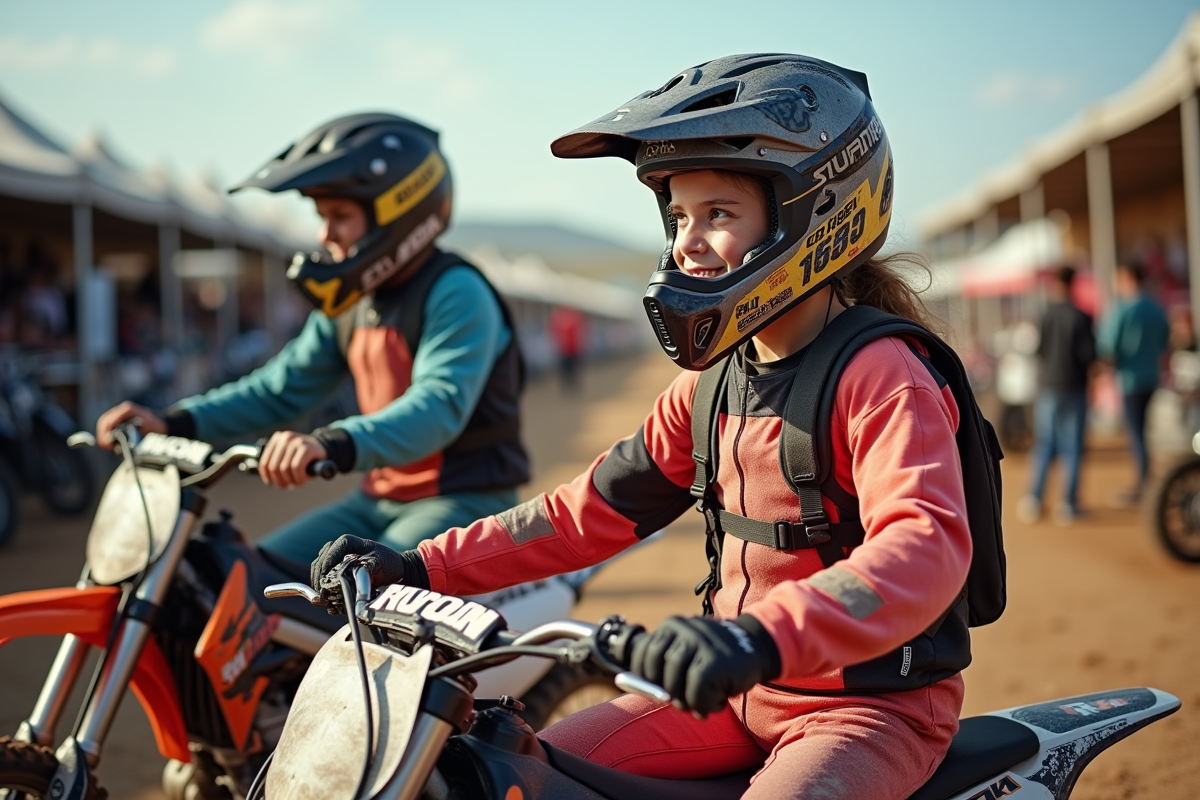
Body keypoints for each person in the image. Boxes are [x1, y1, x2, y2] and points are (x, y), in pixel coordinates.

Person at [314, 56, 974, 800]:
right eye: (679, 217)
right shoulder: (711, 380)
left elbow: (924, 547)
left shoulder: (882, 373)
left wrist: (759, 636)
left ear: (815, 208)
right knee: (513, 774)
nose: (688, 242)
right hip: (731, 694)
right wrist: (421, 566)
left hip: (867, 709)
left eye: (718, 214)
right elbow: (583, 514)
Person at [96, 113, 529, 564]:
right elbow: (279, 388)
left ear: (398, 213)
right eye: (322, 216)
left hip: (466, 502)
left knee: (364, 607)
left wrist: (329, 442)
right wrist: (172, 422)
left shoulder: (456, 291)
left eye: (340, 216)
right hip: (375, 501)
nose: (325, 234)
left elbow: (439, 406)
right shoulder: (352, 302)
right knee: (247, 583)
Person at [1017, 265, 1095, 525]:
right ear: (1073, 284)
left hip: (1048, 387)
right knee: (1072, 447)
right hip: (1074, 387)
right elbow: (1088, 356)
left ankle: (1034, 499)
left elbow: (1037, 350)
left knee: (1045, 443)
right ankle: (1068, 505)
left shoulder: (1045, 314)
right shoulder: (1081, 316)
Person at [1098, 262, 1170, 505]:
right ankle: (1147, 480)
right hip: (1152, 376)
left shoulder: (1122, 309)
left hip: (1129, 381)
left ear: (1127, 277)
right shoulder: (1155, 307)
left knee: (1136, 433)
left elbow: (1108, 347)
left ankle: (1144, 484)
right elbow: (1165, 340)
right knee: (1144, 431)